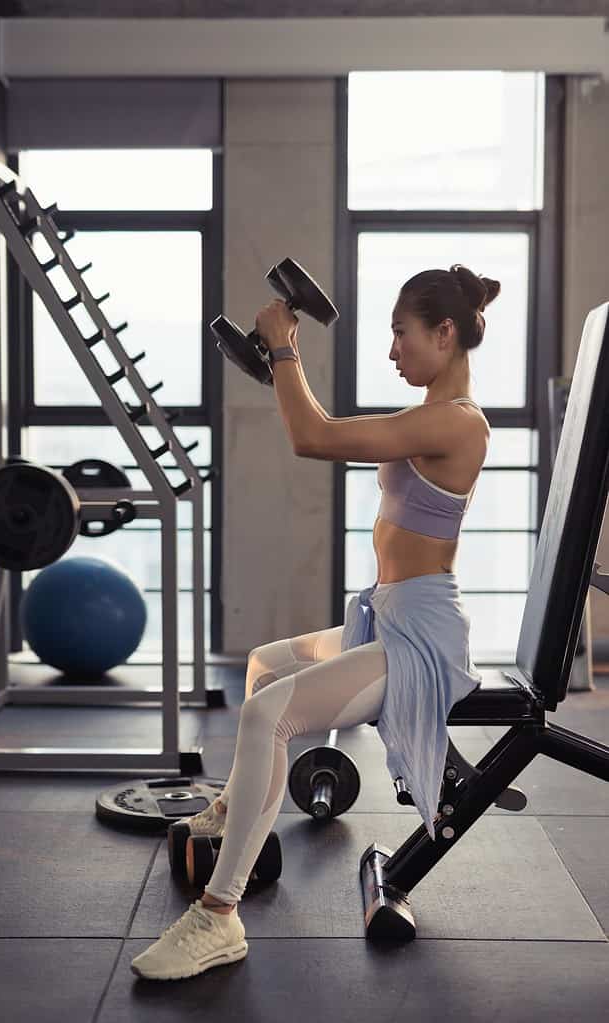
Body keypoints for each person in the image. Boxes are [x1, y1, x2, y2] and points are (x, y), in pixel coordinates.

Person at [131, 263, 499, 982]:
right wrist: (279, 361)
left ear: (445, 332)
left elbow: (315, 437)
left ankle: (219, 914)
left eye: (402, 333)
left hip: (419, 637)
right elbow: (316, 426)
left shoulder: (455, 422)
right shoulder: (433, 415)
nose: (393, 350)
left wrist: (285, 348)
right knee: (266, 664)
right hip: (386, 614)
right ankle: (236, 805)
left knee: (270, 713)